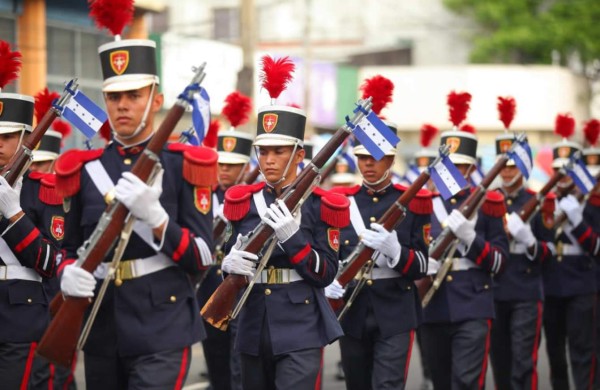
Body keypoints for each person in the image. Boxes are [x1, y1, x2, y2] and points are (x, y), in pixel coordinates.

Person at [53, 34, 216, 389]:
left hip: (163, 324)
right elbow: (67, 248)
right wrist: (66, 272)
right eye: (114, 97)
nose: (122, 105)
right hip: (102, 324)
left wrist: (158, 220)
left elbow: (203, 257)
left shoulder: (182, 166)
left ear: (156, 100)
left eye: (133, 96)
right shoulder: (82, 170)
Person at [219, 99, 348, 389]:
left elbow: (326, 272)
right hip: (252, 322)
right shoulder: (243, 201)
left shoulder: (320, 205)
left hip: (300, 327)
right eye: (263, 152)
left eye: (279, 151)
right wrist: (228, 265)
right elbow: (228, 263)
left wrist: (294, 237)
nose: (269, 160)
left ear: (299, 154)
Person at [327, 119, 431, 389]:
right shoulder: (340, 202)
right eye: (362, 157)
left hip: (395, 311)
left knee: (388, 385)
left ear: (391, 159)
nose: (368, 164)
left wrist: (396, 252)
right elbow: (330, 253)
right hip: (353, 310)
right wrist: (329, 281)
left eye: (375, 157)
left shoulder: (413, 202)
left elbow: (422, 265)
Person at [421, 126, 509, 390]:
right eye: (448, 166)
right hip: (433, 306)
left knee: (467, 384)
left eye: (460, 166)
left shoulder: (489, 205)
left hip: (473, 306)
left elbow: (499, 263)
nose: (453, 173)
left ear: (471, 169)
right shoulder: (425, 204)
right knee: (441, 382)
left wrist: (471, 239)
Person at [0, 54, 63, 388]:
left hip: (21, 313)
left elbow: (52, 262)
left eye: (7, 136)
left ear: (26, 138)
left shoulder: (44, 192)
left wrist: (15, 213)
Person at [489, 133, 555, 390]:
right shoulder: (488, 200)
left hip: (526, 291)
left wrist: (531, 242)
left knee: (523, 364)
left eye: (512, 166)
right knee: (500, 364)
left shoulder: (539, 201)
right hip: (495, 290)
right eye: (502, 166)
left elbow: (550, 252)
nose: (506, 173)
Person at [197, 91, 254, 390]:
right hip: (210, 287)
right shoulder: (205, 197)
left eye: (232, 166)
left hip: (243, 291)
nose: (224, 170)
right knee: (215, 363)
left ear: (246, 167)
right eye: (222, 164)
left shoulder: (254, 198)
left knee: (238, 369)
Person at [542, 125, 596, 390]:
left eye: (568, 171)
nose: (562, 176)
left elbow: (596, 247)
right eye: (557, 170)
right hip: (551, 284)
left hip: (582, 284)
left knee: (583, 351)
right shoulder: (544, 202)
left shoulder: (593, 203)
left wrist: (577, 222)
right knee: (555, 354)